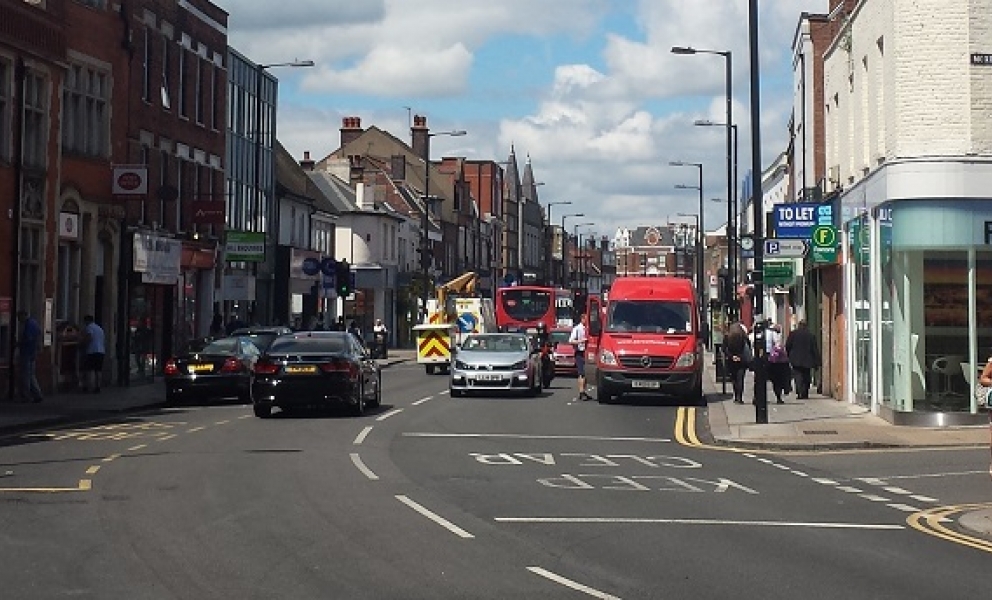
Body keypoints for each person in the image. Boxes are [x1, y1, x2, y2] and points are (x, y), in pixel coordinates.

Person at [785, 320, 820, 399]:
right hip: (807, 359)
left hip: (795, 359)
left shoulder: (793, 334)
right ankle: (805, 392)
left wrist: (789, 355)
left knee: (797, 376)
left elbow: (788, 345)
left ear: (799, 325)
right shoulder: (811, 335)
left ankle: (799, 392)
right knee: (806, 376)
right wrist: (817, 362)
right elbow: (814, 349)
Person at [16, 310, 43, 403]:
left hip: (26, 352)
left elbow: (28, 338)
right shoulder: (34, 323)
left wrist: (19, 343)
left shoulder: (28, 325)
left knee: (25, 375)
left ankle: (26, 396)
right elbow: (39, 334)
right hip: (33, 352)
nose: (19, 320)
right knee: (31, 375)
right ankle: (37, 394)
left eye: (19, 317)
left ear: (23, 315)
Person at [723, 320, 751, 404]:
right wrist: (740, 357)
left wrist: (732, 356)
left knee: (734, 379)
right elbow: (748, 348)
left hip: (731, 361)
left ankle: (736, 396)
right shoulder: (744, 337)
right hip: (742, 361)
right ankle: (740, 397)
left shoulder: (727, 337)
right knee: (740, 379)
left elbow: (724, 349)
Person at [80, 315, 106, 394]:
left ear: (87, 321)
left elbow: (89, 337)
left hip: (92, 351)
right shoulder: (100, 328)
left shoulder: (89, 327)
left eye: (85, 322)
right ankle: (98, 386)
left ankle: (88, 386)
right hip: (101, 351)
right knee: (98, 370)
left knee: (89, 369)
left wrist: (83, 343)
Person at [569, 313, 590, 400]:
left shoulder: (588, 329)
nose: (587, 321)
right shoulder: (577, 328)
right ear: (582, 319)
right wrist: (581, 341)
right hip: (579, 352)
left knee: (586, 373)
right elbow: (571, 341)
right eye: (586, 319)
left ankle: (584, 391)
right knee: (581, 373)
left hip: (587, 353)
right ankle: (581, 392)